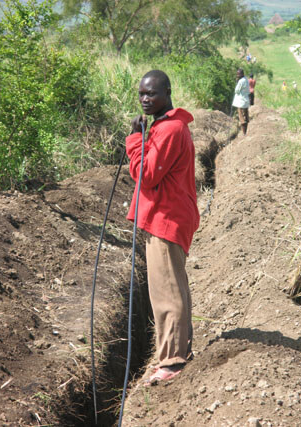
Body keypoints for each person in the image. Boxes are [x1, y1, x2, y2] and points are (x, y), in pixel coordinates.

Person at [125, 70, 200, 384]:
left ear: (168, 93)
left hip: (166, 218)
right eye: (142, 93)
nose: (145, 99)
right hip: (169, 215)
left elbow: (146, 174)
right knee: (174, 287)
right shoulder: (167, 126)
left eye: (152, 94)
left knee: (166, 293)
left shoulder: (169, 130)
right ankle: (179, 350)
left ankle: (170, 362)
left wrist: (133, 141)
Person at [232, 68, 250, 135]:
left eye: (238, 74)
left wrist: (237, 82)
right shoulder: (246, 80)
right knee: (246, 116)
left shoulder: (240, 81)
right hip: (246, 101)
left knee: (241, 117)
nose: (237, 75)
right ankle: (245, 132)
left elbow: (236, 91)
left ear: (242, 74)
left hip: (240, 102)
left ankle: (244, 133)